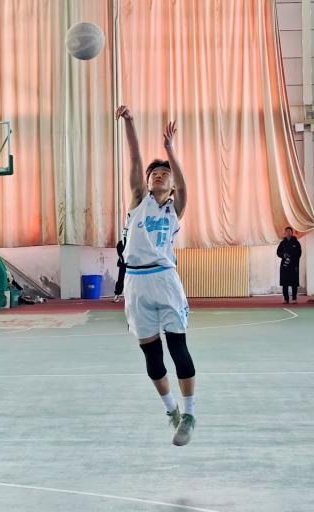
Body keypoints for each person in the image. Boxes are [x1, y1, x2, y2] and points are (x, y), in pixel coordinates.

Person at [116, 105, 196, 446]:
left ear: (172, 184)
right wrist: (130, 123)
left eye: (164, 173)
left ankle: (189, 413)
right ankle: (171, 411)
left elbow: (183, 184)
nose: (158, 175)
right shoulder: (139, 202)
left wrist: (169, 150)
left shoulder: (173, 210)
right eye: (154, 174)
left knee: (178, 348)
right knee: (152, 357)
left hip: (165, 280)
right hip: (136, 284)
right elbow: (135, 160)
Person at [277, 227, 302, 304]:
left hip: (293, 265)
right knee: (285, 283)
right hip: (285, 266)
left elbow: (299, 253)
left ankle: (294, 298)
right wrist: (284, 255)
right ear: (285, 233)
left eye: (289, 231)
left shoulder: (296, 243)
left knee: (294, 282)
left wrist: (292, 257)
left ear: (292, 232)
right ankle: (286, 299)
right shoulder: (282, 243)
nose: (288, 232)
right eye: (287, 231)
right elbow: (278, 252)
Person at [112, 238, 127, 303]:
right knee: (121, 279)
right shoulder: (120, 243)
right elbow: (120, 255)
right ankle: (117, 295)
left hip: (132, 265)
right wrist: (124, 261)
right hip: (123, 265)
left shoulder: (134, 242)